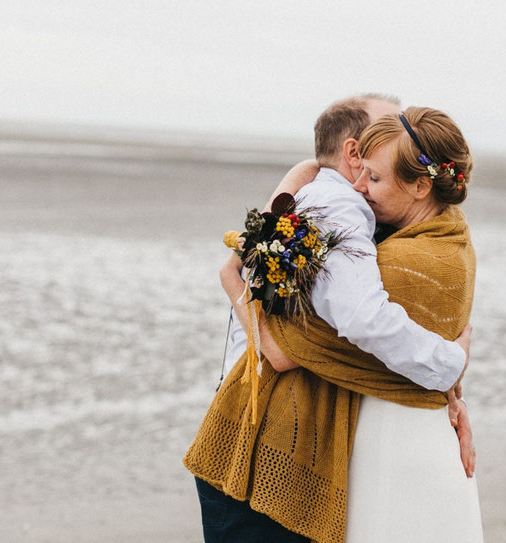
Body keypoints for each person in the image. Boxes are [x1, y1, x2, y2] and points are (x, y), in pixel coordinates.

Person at [184, 97, 477, 543]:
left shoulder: (393, 241)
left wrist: (448, 391)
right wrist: (449, 367)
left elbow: (360, 336)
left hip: (271, 444)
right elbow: (296, 345)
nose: (363, 181)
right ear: (352, 149)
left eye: (376, 173)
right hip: (258, 452)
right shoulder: (354, 214)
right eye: (368, 155)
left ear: (421, 182)